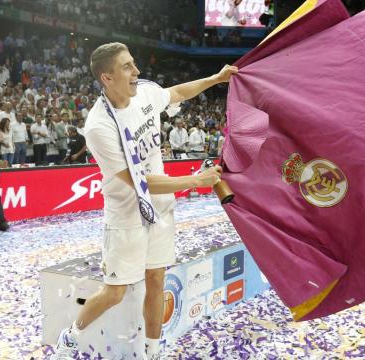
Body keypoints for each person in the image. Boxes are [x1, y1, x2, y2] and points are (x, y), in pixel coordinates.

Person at [52, 42, 234, 360]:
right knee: (115, 292)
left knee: (156, 279)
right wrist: (195, 181)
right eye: (127, 67)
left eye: (134, 64)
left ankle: (152, 352)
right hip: (126, 215)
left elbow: (176, 93)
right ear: (107, 78)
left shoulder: (146, 92)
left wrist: (214, 79)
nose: (136, 72)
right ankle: (70, 337)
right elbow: (140, 182)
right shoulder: (99, 126)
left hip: (160, 209)